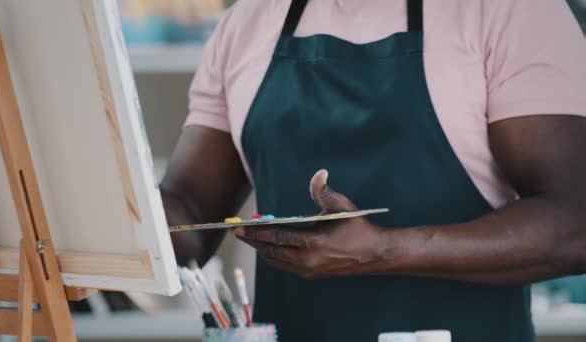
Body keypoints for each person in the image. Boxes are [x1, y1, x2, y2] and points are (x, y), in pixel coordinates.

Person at [160, 0, 586, 341]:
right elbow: (189, 222)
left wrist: (385, 250)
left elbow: (574, 225)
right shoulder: (246, 23)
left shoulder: (512, 11)